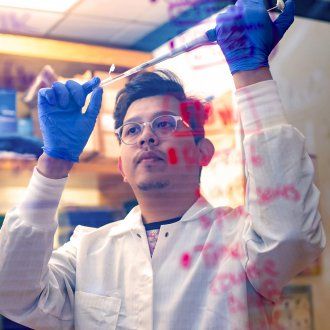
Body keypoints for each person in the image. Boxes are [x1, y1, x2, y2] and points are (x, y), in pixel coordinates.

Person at [0, 0, 325, 329]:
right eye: (132, 130)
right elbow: (13, 293)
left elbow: (291, 237)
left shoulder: (242, 238)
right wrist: (54, 163)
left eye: (165, 124)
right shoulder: (88, 250)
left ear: (203, 152)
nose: (146, 138)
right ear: (122, 169)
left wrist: (251, 75)